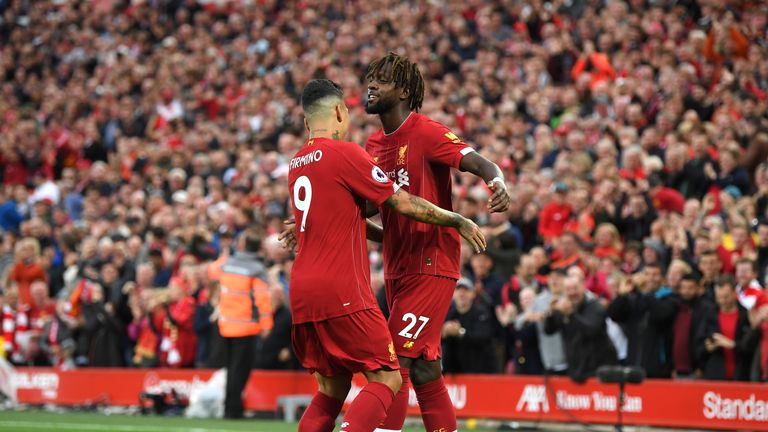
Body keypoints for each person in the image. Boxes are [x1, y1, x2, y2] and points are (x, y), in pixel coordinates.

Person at [287, 79, 485, 432]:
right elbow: (403, 202)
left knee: (332, 388)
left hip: (302, 292)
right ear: (338, 112)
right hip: (341, 289)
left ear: (305, 123)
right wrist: (456, 220)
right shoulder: (346, 153)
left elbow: (344, 220)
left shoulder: (297, 164)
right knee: (389, 377)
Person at [363, 52, 510, 432]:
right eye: (370, 78)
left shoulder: (426, 132)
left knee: (394, 360)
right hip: (397, 268)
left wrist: (496, 181)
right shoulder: (372, 144)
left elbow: (478, 161)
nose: (371, 85)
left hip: (432, 263)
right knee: (426, 369)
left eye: (382, 79)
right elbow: (365, 212)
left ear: (405, 90)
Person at [215, 228, 273, 419]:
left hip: (226, 325)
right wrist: (266, 326)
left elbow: (213, 274)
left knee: (231, 369)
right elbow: (262, 300)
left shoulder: (228, 263)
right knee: (240, 370)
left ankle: (228, 407)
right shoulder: (257, 269)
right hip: (246, 327)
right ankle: (233, 410)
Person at [544, 276, 617, 383]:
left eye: (575, 288)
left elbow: (591, 331)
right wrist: (550, 313)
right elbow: (549, 330)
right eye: (568, 289)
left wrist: (571, 315)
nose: (572, 292)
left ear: (583, 287)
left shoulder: (595, 307)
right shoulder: (564, 308)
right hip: (576, 370)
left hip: (599, 369)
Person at [441, 278, 497, 374]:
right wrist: (443, 334)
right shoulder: (448, 314)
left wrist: (460, 332)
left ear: (473, 294)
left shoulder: (482, 312)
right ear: (453, 294)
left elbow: (483, 337)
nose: (461, 294)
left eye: (466, 290)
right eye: (458, 290)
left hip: (479, 371)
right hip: (453, 373)